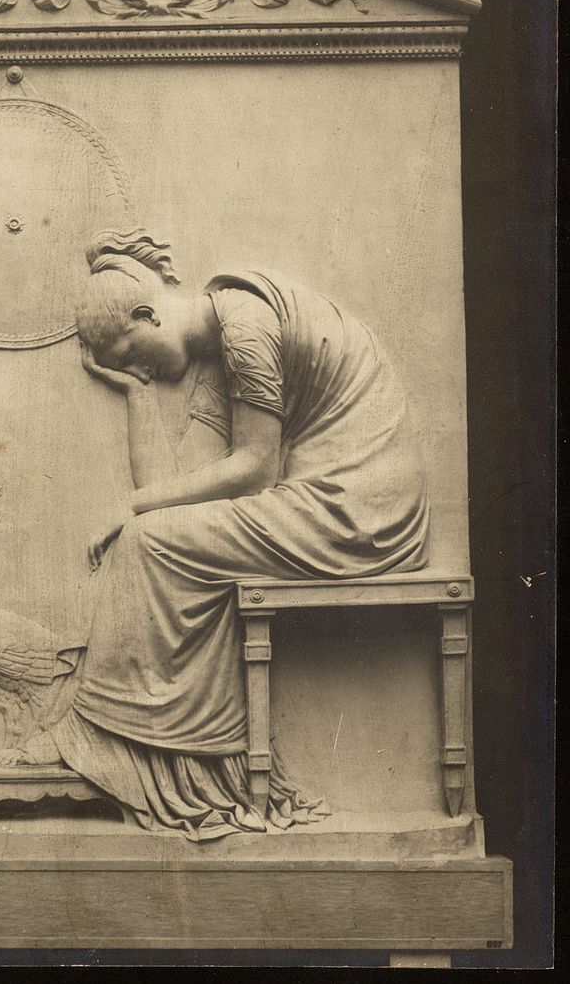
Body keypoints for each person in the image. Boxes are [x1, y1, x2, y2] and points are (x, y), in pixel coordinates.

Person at [34, 230, 430, 841]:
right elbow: (173, 492)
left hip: (359, 508)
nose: (138, 369)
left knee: (147, 541)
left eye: (130, 355)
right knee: (158, 539)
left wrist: (130, 507)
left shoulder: (247, 328)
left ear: (146, 314)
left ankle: (110, 738)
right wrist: (137, 395)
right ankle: (188, 757)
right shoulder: (225, 338)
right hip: (335, 500)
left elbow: (254, 470)